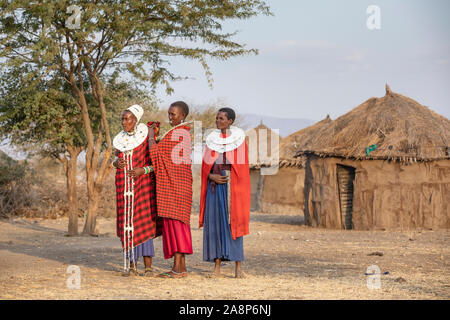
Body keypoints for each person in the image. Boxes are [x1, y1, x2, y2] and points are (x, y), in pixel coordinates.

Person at [199, 107, 251, 278]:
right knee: (216, 224)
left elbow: (242, 169)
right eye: (217, 118)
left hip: (232, 187)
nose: (218, 121)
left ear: (230, 121)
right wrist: (211, 176)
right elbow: (206, 166)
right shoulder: (211, 140)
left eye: (222, 118)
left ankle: (238, 268)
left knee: (234, 224)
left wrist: (230, 176)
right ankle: (217, 268)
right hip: (215, 187)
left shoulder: (240, 141)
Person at [113, 104, 161, 276]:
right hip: (123, 188)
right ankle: (131, 265)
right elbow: (116, 160)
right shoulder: (120, 140)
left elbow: (157, 163)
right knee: (127, 225)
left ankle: (148, 266)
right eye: (123, 119)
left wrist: (143, 170)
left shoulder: (147, 137)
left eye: (128, 119)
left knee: (145, 223)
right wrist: (116, 163)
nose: (124, 122)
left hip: (143, 187)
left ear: (136, 120)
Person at [149, 101, 193, 278]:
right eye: (169, 114)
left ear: (182, 116)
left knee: (176, 226)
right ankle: (180, 268)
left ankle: (177, 268)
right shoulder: (181, 133)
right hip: (178, 186)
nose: (170, 117)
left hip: (175, 187)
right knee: (177, 226)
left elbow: (157, 153)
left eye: (173, 114)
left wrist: (152, 136)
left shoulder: (179, 133)